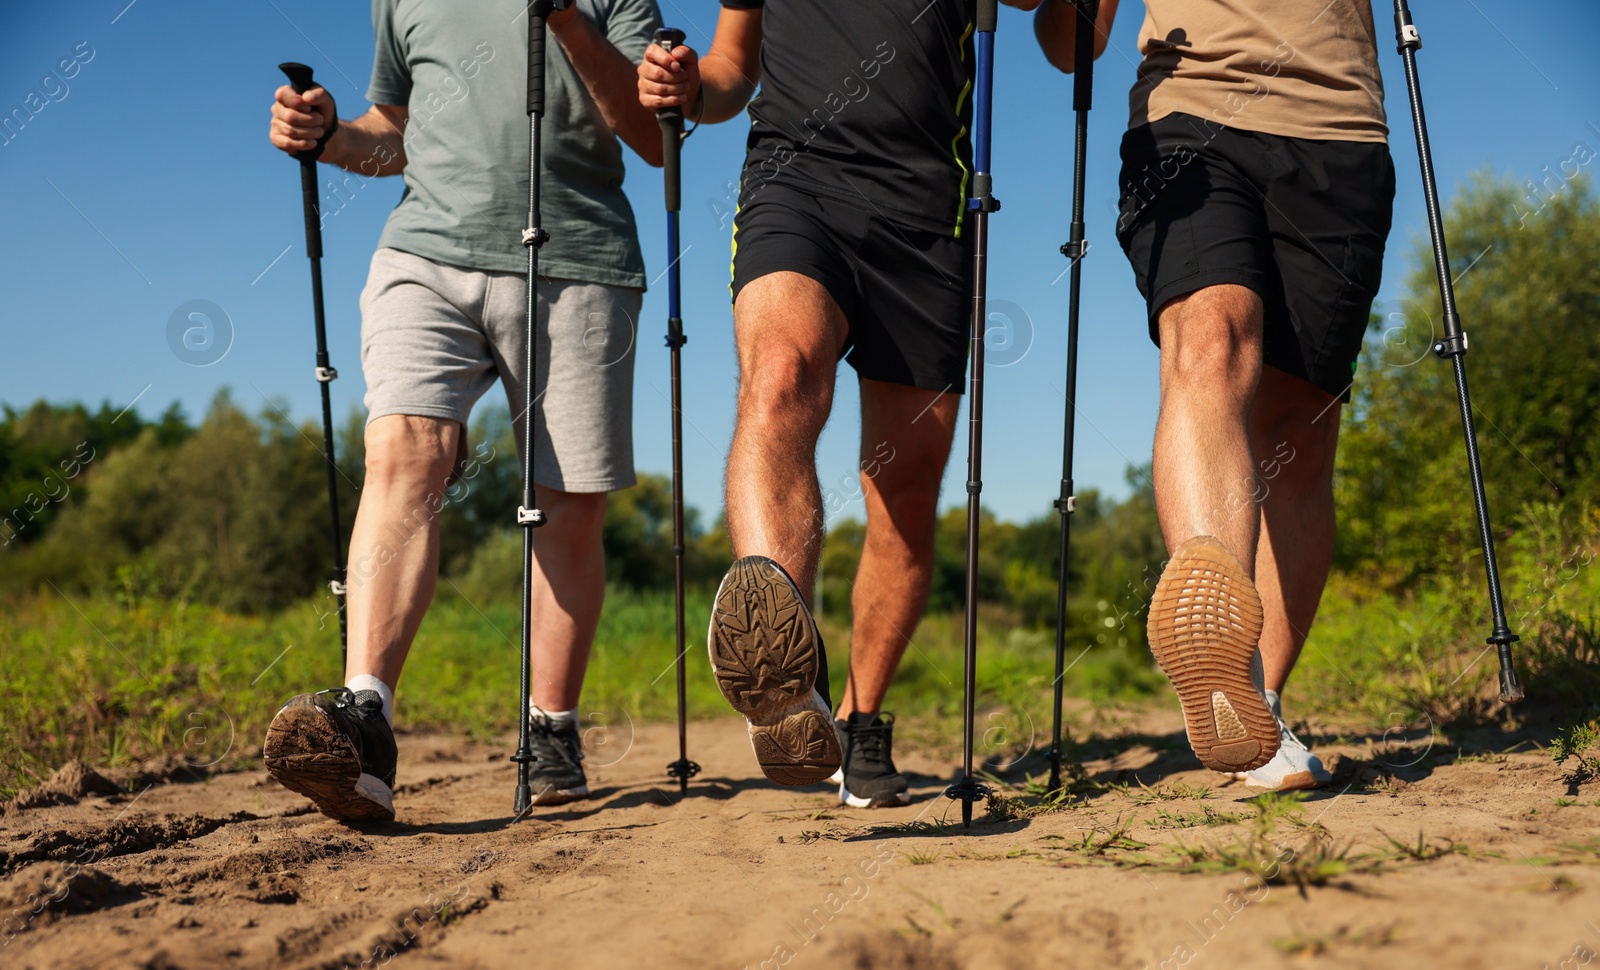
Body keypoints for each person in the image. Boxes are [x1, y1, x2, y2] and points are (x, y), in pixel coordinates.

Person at [262, 0, 664, 822]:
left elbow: (655, 137)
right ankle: (366, 717)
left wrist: (565, 18)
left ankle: (551, 725)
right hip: (427, 252)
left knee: (568, 502)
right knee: (404, 453)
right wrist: (335, 136)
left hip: (581, 256)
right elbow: (399, 128)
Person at [638, 0, 1041, 808]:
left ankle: (858, 719)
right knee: (780, 376)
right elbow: (730, 70)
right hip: (797, 181)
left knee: (906, 489)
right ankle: (781, 670)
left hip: (927, 211)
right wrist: (686, 88)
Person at [1037, 0, 1394, 789]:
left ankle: (1252, 704)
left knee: (1301, 433)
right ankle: (1218, 640)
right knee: (1210, 340)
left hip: (1340, 125)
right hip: (1189, 116)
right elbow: (1070, 46)